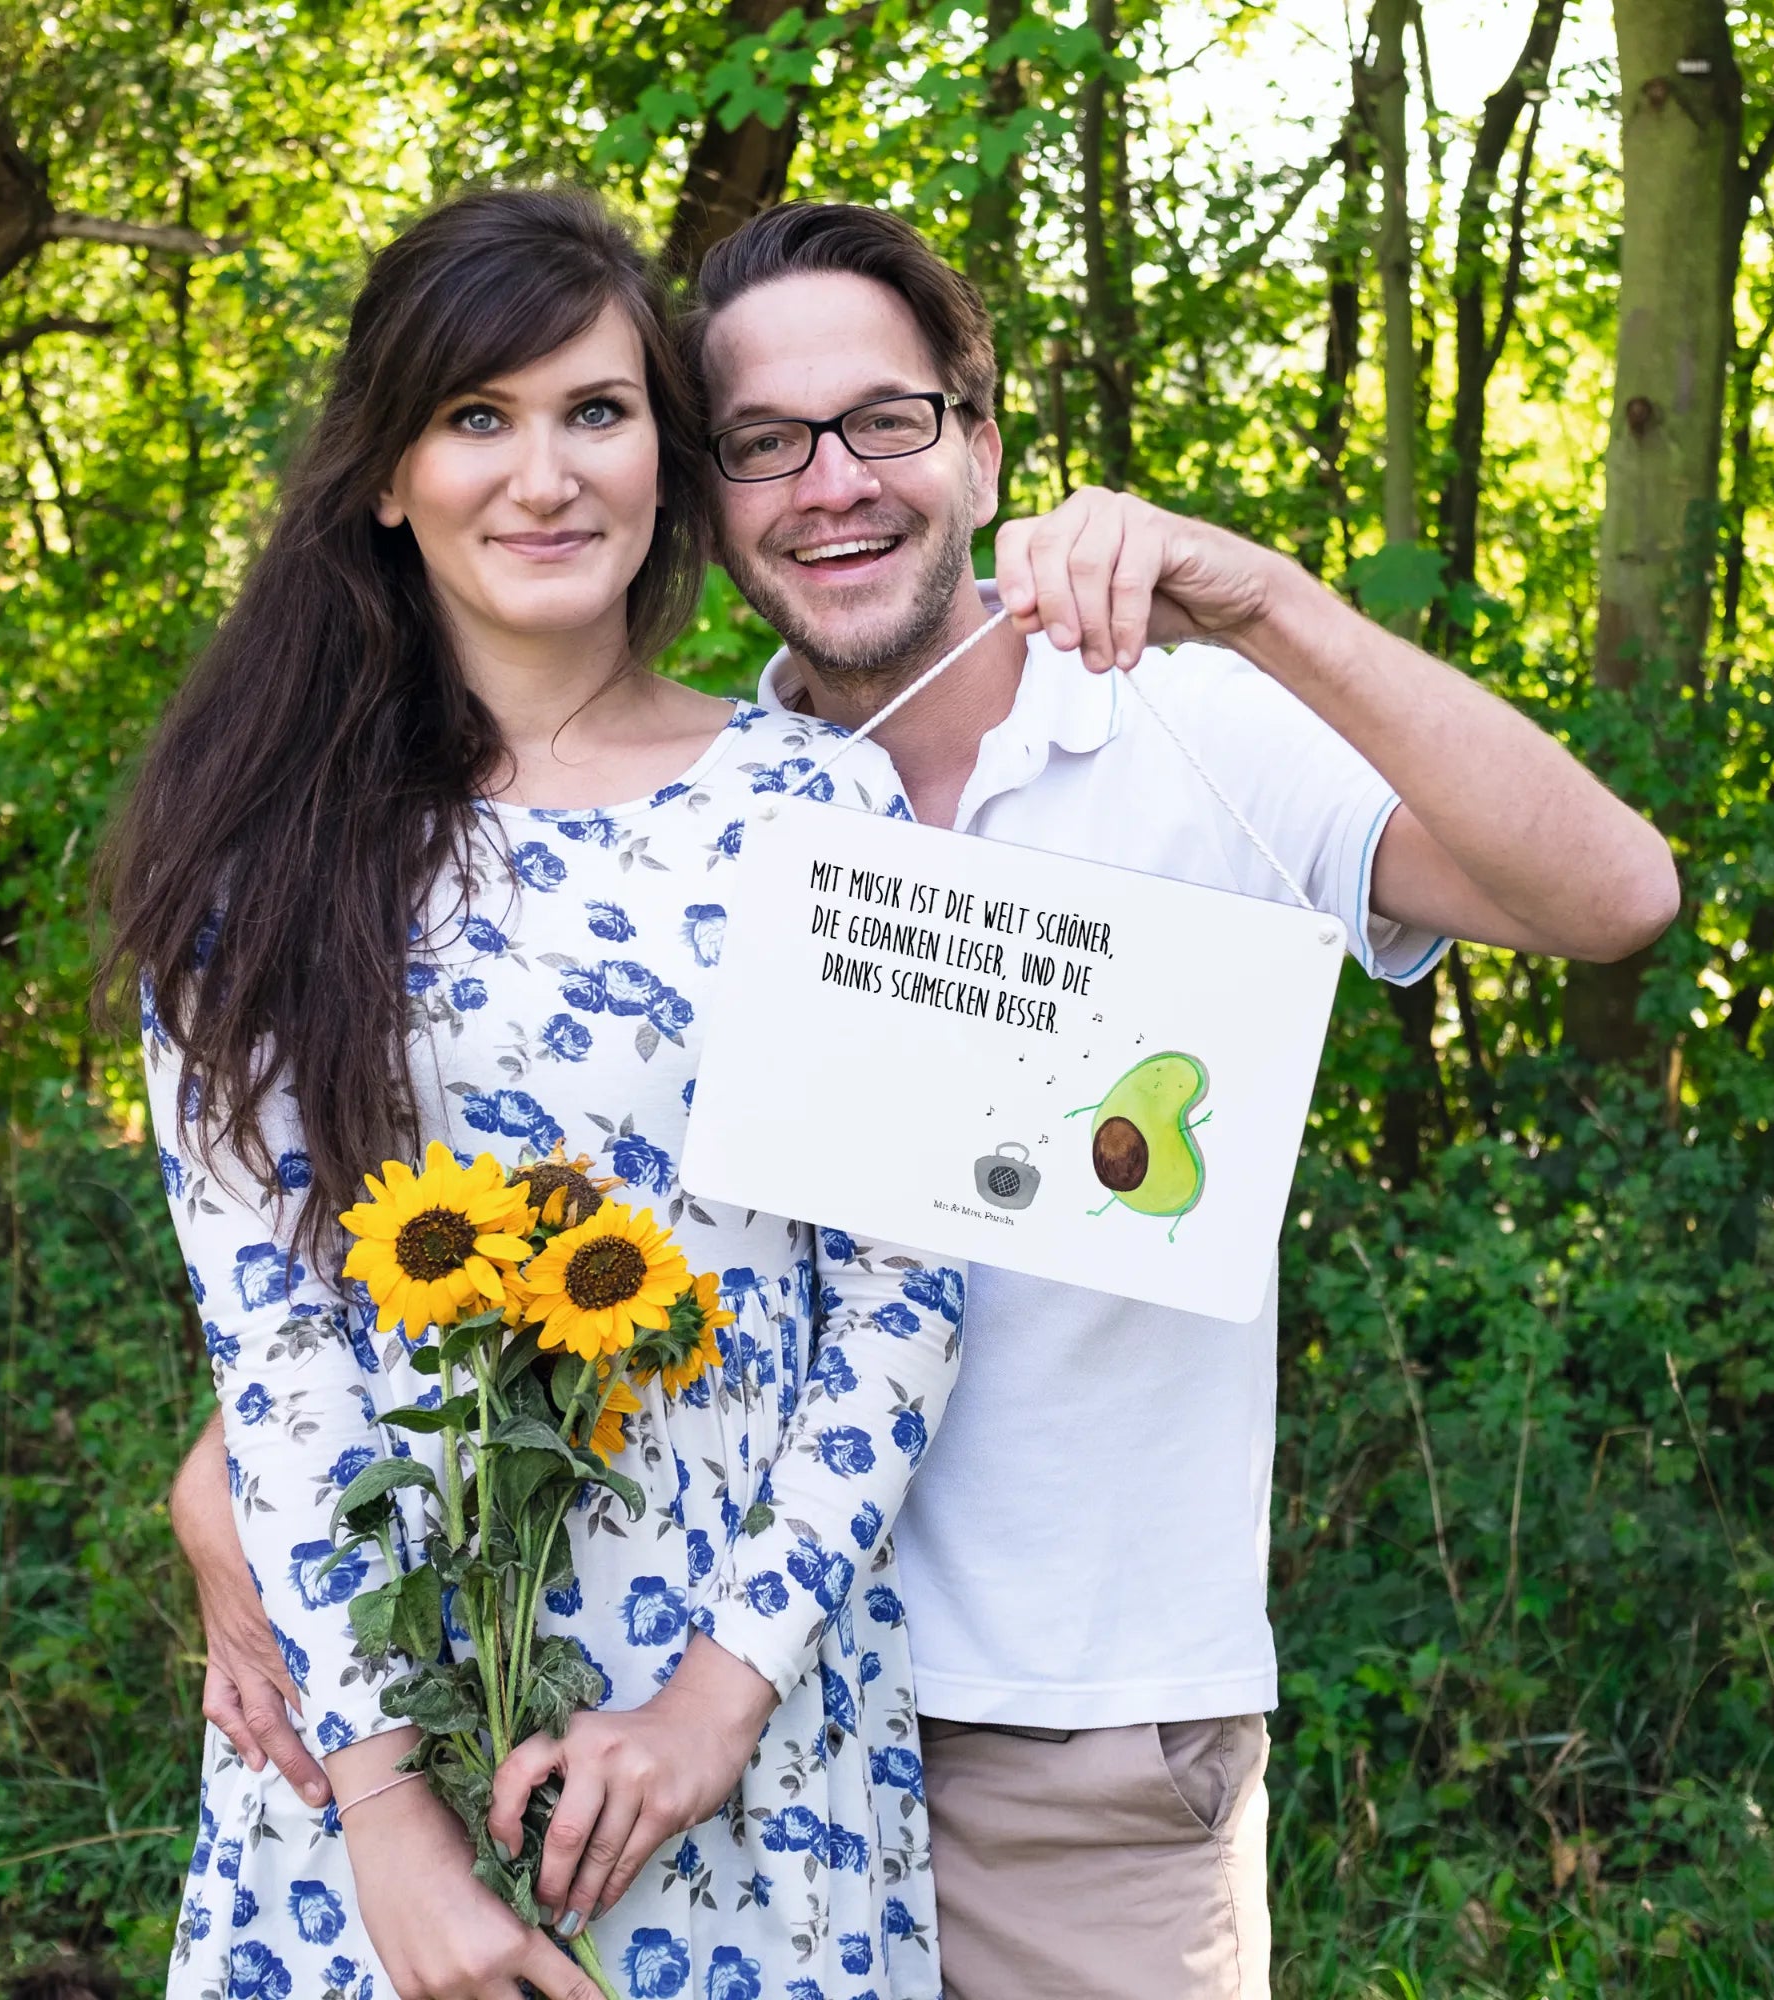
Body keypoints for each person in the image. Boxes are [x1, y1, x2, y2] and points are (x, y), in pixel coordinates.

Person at [173, 197, 1679, 1999]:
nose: (832, 482)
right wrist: (238, 1478)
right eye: (764, 442)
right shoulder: (708, 805)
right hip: (606, 1701)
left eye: (883, 421)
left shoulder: (1171, 729)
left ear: (981, 445)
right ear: (708, 486)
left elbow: (1615, 898)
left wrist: (1263, 597)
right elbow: (449, 1223)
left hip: (1053, 1734)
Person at [100, 187, 968, 2000]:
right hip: (373, 1721)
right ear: (386, 475)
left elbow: (903, 1291)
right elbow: (276, 1346)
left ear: (666, 452)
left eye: (597, 411)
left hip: (742, 1724)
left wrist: (716, 1705)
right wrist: (388, 1824)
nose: (546, 476)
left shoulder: (819, 807)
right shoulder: (262, 855)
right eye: (476, 417)